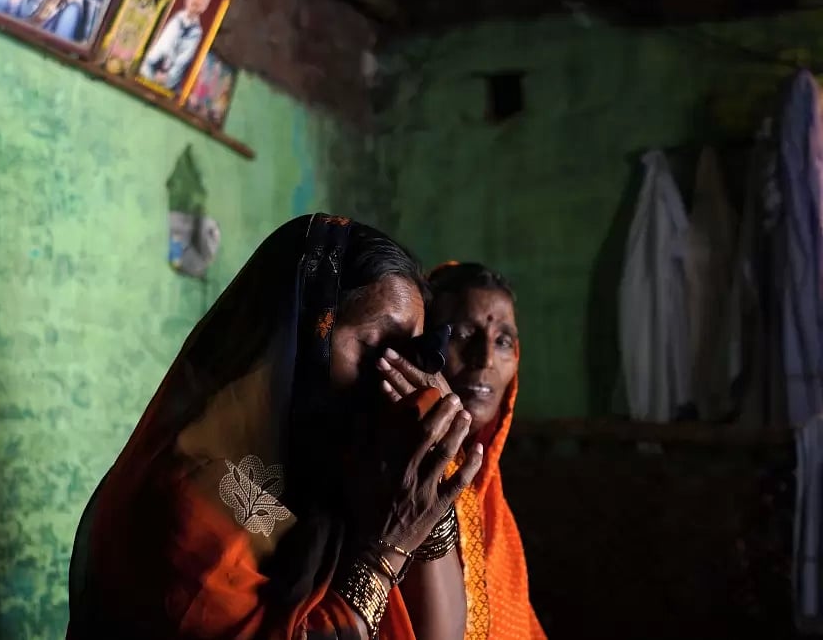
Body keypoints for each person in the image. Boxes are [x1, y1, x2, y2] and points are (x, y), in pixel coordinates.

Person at [68, 214, 487, 639]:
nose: (394, 380)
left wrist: (428, 502)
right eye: (376, 346)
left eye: (407, 357)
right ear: (303, 331)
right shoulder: (188, 491)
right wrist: (383, 554)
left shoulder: (337, 475)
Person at [381, 262, 545, 640]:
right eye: (462, 334)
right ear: (423, 344)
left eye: (503, 341)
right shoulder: (391, 473)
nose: (484, 359)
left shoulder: (490, 499)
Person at [139, 0, 212, 91]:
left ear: (204, 7)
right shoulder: (176, 18)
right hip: (151, 64)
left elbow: (183, 59)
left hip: (167, 76)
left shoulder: (196, 32)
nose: (196, 0)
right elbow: (161, 43)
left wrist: (168, 76)